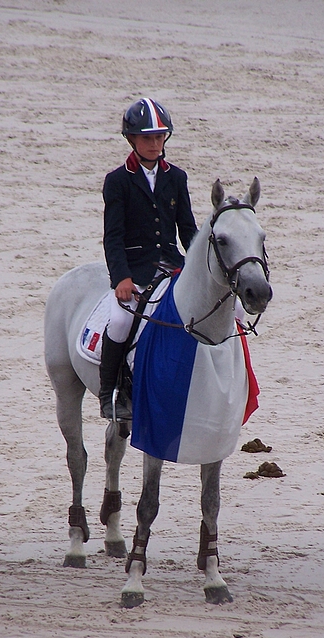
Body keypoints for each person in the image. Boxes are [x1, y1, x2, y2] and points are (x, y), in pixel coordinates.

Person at [100, 97, 198, 420]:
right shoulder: (117, 182)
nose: (155, 144)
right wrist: (121, 279)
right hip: (136, 272)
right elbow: (113, 237)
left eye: (159, 137)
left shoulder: (177, 178)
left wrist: (204, 268)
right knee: (120, 320)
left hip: (173, 266)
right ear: (132, 140)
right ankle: (111, 393)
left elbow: (188, 232)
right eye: (147, 138)